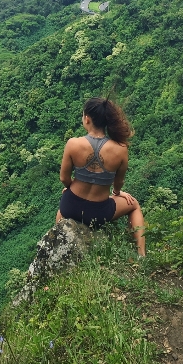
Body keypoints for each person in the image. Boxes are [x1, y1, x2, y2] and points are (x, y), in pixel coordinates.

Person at [56, 97, 146, 256]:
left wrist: (70, 188)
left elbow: (64, 178)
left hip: (70, 207)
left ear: (87, 119)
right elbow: (119, 182)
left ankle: (60, 248)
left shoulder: (73, 144)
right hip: (99, 214)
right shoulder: (121, 149)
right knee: (134, 205)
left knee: (62, 210)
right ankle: (141, 255)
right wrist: (118, 193)